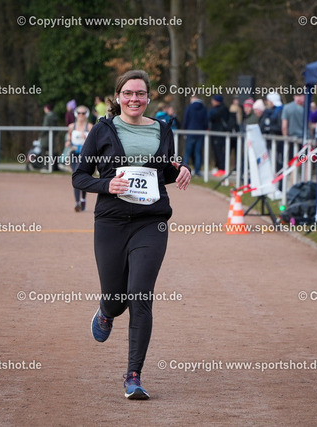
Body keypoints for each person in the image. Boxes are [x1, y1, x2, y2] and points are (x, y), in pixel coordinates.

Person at [72, 69, 191, 400]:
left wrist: (182, 170)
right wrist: (106, 184)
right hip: (110, 222)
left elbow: (163, 172)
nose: (134, 99)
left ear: (148, 97)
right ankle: (107, 311)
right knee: (116, 299)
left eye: (140, 93)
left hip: (151, 222)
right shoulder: (103, 129)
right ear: (118, 97)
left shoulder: (163, 130)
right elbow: (79, 176)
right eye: (128, 93)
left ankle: (133, 376)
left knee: (140, 295)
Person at [67, 105, 93, 211]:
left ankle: (83, 200)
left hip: (85, 154)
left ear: (87, 114)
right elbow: (69, 139)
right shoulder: (71, 126)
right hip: (74, 153)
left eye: (83, 113)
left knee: (84, 176)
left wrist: (86, 138)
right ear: (75, 114)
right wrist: (68, 142)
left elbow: (93, 142)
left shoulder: (90, 126)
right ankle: (77, 202)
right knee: (76, 174)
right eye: (79, 113)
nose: (81, 115)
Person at [182, 95, 208, 177]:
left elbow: (186, 120)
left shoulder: (189, 107)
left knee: (187, 153)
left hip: (190, 132)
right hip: (200, 133)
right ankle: (197, 171)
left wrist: (185, 130)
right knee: (198, 153)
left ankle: (184, 170)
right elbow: (206, 121)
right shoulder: (204, 108)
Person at [208, 94, 229, 177]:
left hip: (220, 133)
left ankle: (222, 169)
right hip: (215, 133)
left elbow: (211, 116)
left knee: (219, 152)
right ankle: (218, 167)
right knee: (216, 151)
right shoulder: (216, 108)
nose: (212, 102)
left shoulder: (222, 109)